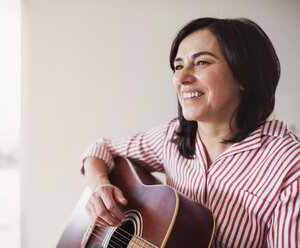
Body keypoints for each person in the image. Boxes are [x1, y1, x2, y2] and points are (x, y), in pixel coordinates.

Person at [80, 17, 300, 248]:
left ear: (244, 76)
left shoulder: (291, 163)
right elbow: (99, 149)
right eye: (178, 66)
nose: (182, 78)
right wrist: (100, 188)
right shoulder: (171, 136)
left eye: (202, 62)